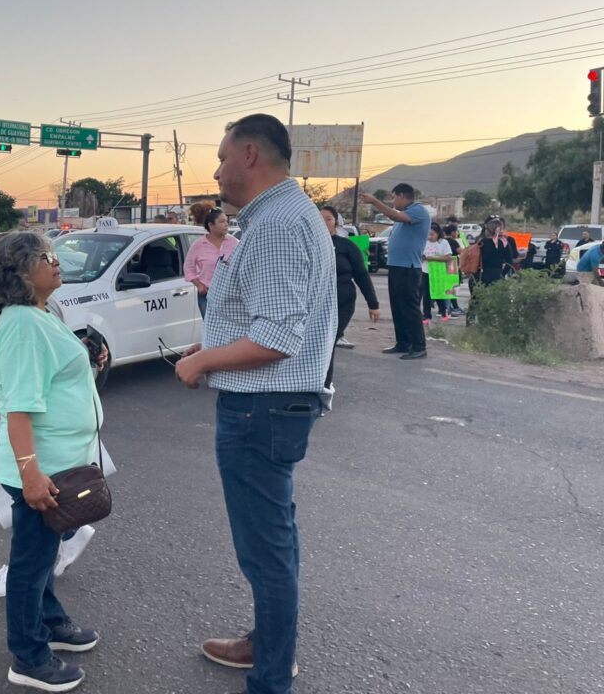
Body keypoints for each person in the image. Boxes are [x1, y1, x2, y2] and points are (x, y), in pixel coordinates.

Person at [175, 114, 335, 694]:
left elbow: (275, 339)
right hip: (268, 406)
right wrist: (210, 343)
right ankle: (266, 647)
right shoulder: (282, 217)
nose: (216, 172)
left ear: (248, 155)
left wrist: (202, 362)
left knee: (265, 550)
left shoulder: (277, 226)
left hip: (260, 409)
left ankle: (270, 677)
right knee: (274, 541)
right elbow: (264, 317)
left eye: (220, 159)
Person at [0, 231, 102, 692]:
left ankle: (50, 622)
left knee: (45, 552)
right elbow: (18, 407)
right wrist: (31, 474)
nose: (56, 261)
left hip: (61, 461)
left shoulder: (41, 313)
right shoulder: (23, 323)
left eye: (54, 254)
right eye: (43, 257)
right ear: (18, 270)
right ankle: (29, 655)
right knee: (30, 564)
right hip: (42, 468)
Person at [361, 183, 431, 360]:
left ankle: (419, 345)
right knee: (398, 307)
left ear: (402, 195)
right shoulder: (402, 216)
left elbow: (397, 216)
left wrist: (375, 202)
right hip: (397, 267)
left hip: (409, 268)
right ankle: (403, 342)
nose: (393, 202)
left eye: (393, 197)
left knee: (409, 308)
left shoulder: (418, 211)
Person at [319, 206, 379, 363]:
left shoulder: (347, 246)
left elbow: (362, 275)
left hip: (342, 301)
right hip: (316, 303)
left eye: (328, 219)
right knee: (317, 344)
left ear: (336, 223)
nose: (324, 222)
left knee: (328, 341)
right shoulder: (308, 245)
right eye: (320, 218)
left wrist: (373, 304)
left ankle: (324, 382)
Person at [184, 208, 239, 317]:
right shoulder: (198, 245)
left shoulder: (234, 242)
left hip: (230, 295)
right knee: (210, 330)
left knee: (232, 331)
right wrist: (199, 285)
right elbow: (188, 267)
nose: (226, 224)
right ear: (211, 225)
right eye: (222, 222)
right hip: (207, 295)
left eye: (226, 221)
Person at [421, 223, 454, 323]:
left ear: (438, 234)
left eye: (432, 234)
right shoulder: (424, 243)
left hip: (438, 272)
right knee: (426, 294)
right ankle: (427, 316)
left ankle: (444, 312)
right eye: (428, 234)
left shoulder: (443, 243)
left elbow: (448, 257)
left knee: (438, 293)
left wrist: (433, 258)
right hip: (425, 271)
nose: (430, 237)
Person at [477, 218, 515, 286]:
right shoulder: (504, 243)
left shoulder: (482, 243)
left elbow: (476, 259)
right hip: (498, 273)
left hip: (484, 274)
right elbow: (510, 261)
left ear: (489, 230)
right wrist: (503, 274)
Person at [442, 224, 465, 316]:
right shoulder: (453, 242)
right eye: (456, 231)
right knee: (453, 286)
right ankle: (454, 307)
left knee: (446, 287)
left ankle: (445, 307)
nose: (457, 233)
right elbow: (462, 252)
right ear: (452, 232)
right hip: (452, 265)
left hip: (443, 265)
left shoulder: (442, 241)